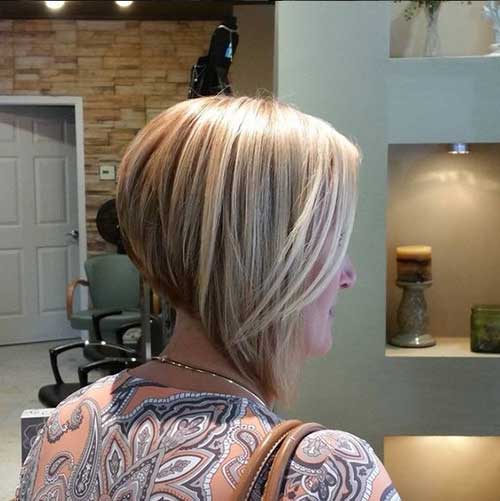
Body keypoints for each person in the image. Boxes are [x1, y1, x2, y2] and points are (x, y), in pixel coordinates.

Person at [17, 96, 400, 500]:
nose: (349, 276)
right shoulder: (327, 475)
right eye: (335, 241)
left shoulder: (70, 423)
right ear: (267, 258)